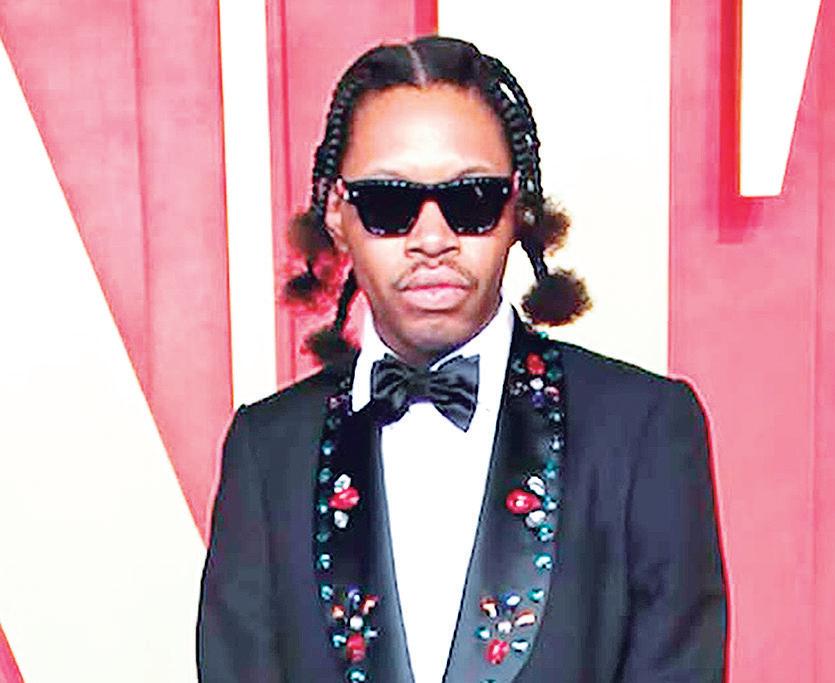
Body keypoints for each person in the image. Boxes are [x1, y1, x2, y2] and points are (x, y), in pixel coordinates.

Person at [197, 36, 726, 682]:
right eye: (389, 203)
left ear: (517, 206)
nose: (432, 238)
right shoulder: (267, 451)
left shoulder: (642, 430)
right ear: (338, 212)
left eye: (470, 200)